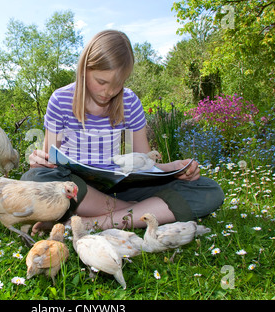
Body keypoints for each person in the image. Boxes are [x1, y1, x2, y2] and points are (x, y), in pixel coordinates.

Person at [22, 30, 224, 233]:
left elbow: (144, 163)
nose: (108, 92)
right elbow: (50, 162)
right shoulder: (60, 100)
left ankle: (88, 222)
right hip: (78, 190)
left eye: (118, 84)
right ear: (84, 69)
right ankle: (138, 212)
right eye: (101, 81)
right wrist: (40, 160)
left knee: (208, 191)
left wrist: (174, 168)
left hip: (122, 188)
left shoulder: (130, 102)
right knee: (35, 178)